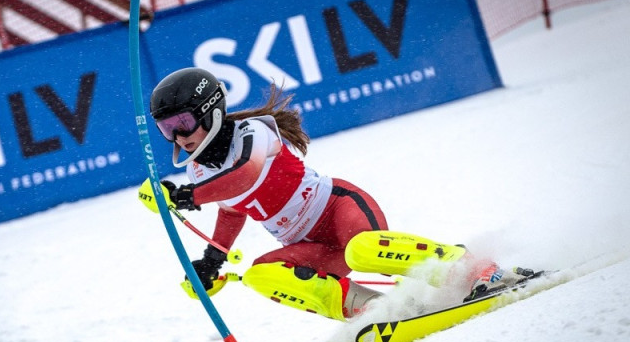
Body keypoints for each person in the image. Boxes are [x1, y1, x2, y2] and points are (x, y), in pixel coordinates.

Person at [144, 67, 534, 321]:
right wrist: (212, 260)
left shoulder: (253, 134)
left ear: (210, 110)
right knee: (260, 275)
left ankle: (478, 269)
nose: (178, 136)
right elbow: (232, 208)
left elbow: (244, 177)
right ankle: (379, 311)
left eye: (183, 122)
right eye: (167, 129)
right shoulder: (198, 170)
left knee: (362, 251)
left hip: (337, 209)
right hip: (307, 243)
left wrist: (188, 196)